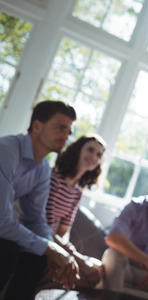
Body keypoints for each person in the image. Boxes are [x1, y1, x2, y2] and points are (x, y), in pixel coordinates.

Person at [0, 100, 79, 299]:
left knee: (38, 256)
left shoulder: (43, 168)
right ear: (37, 126)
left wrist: (50, 248)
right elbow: (1, 221)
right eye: (61, 128)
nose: (65, 136)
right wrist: (49, 248)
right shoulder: (7, 151)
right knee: (7, 251)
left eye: (68, 132)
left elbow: (36, 219)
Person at [42, 134, 107, 289]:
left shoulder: (77, 191)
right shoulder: (54, 177)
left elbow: (64, 230)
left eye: (99, 154)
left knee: (99, 268)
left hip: (54, 241)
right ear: (78, 150)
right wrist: (77, 259)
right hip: (38, 237)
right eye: (90, 150)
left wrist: (74, 255)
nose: (94, 156)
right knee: (82, 269)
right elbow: (45, 228)